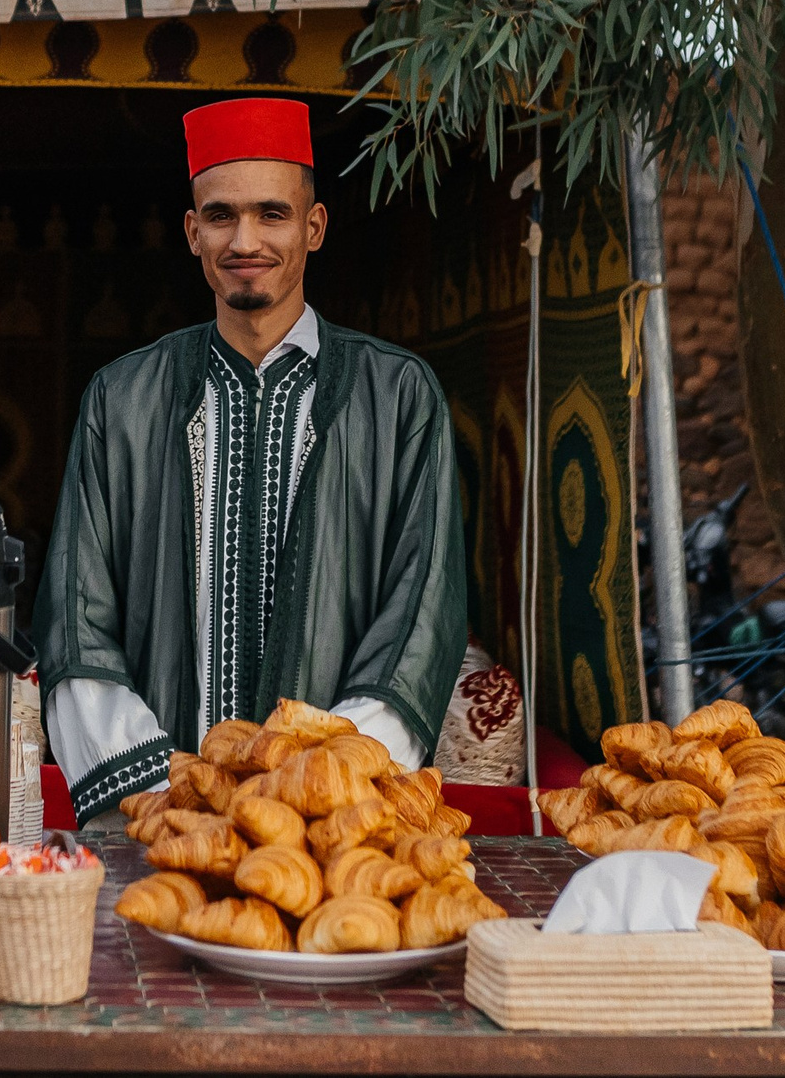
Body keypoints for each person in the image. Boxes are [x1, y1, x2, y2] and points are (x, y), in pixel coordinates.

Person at [36, 97, 466, 822]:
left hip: (330, 830)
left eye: (272, 213)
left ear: (313, 227)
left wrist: (317, 787)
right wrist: (164, 792)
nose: (245, 239)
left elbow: (421, 617)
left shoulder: (397, 395)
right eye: (221, 215)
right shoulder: (122, 398)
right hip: (160, 820)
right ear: (192, 232)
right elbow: (76, 618)